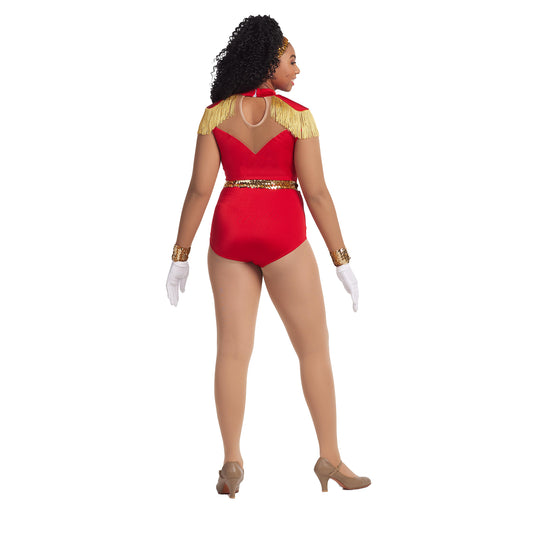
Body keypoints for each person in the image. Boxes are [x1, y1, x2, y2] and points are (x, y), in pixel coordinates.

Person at [166, 15, 370, 498]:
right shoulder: (297, 116)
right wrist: (341, 259)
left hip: (230, 232)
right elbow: (316, 194)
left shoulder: (215, 116)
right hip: (282, 234)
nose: (297, 69)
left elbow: (199, 190)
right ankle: (330, 457)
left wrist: (180, 255)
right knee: (313, 349)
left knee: (232, 351)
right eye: (291, 60)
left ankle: (231, 462)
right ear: (268, 62)